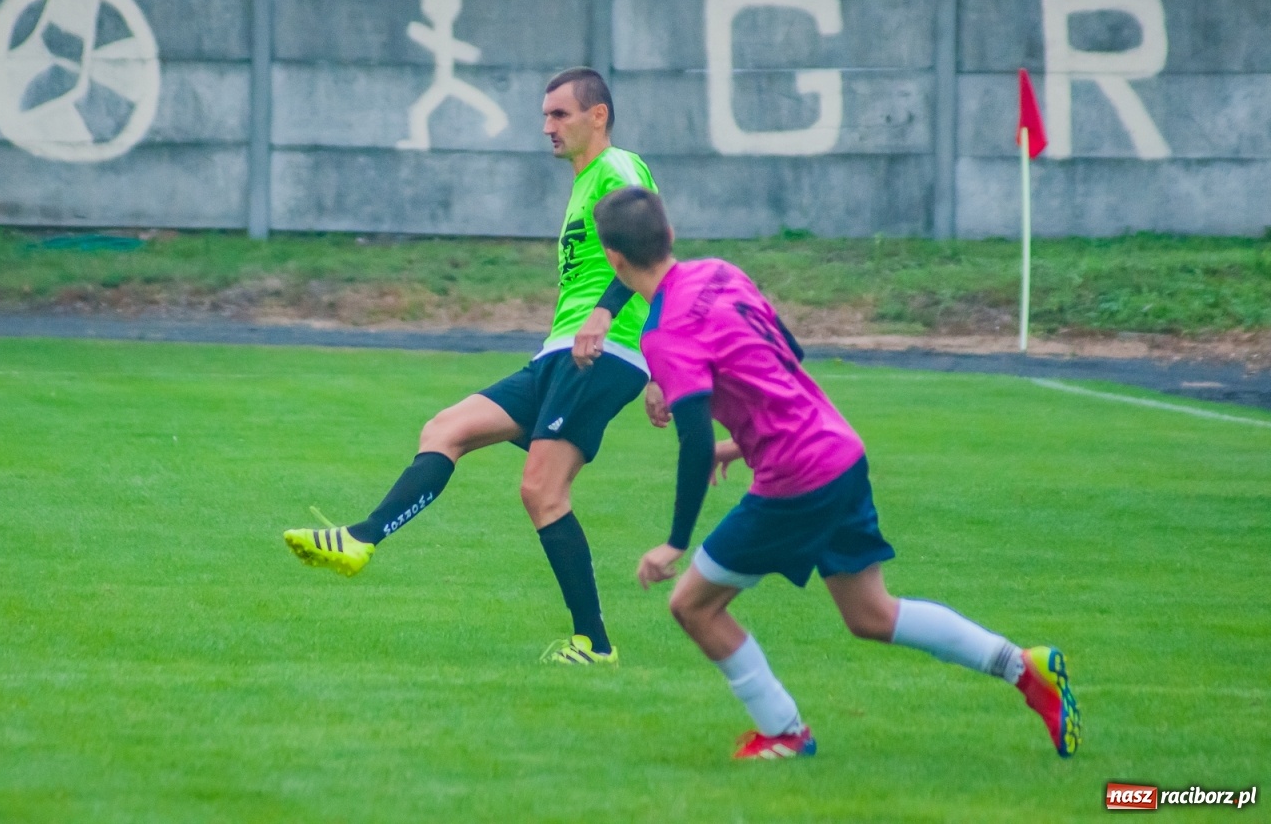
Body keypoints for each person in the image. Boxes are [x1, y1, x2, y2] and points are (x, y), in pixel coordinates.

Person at [593, 186, 1082, 758]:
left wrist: (673, 541)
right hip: (838, 450)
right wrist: (741, 446)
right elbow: (784, 357)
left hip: (796, 477)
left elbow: (693, 440)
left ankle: (784, 733)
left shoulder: (665, 332)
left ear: (615, 261)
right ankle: (1024, 668)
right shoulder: (722, 272)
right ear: (670, 235)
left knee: (692, 604)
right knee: (872, 614)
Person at [284, 68, 661, 665]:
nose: (547, 127)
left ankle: (595, 644)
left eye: (559, 114)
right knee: (446, 430)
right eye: (544, 115)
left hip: (600, 354)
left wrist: (631, 339)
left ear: (598, 116)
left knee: (541, 490)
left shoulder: (617, 170)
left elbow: (655, 254)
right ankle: (361, 540)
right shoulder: (587, 180)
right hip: (559, 354)